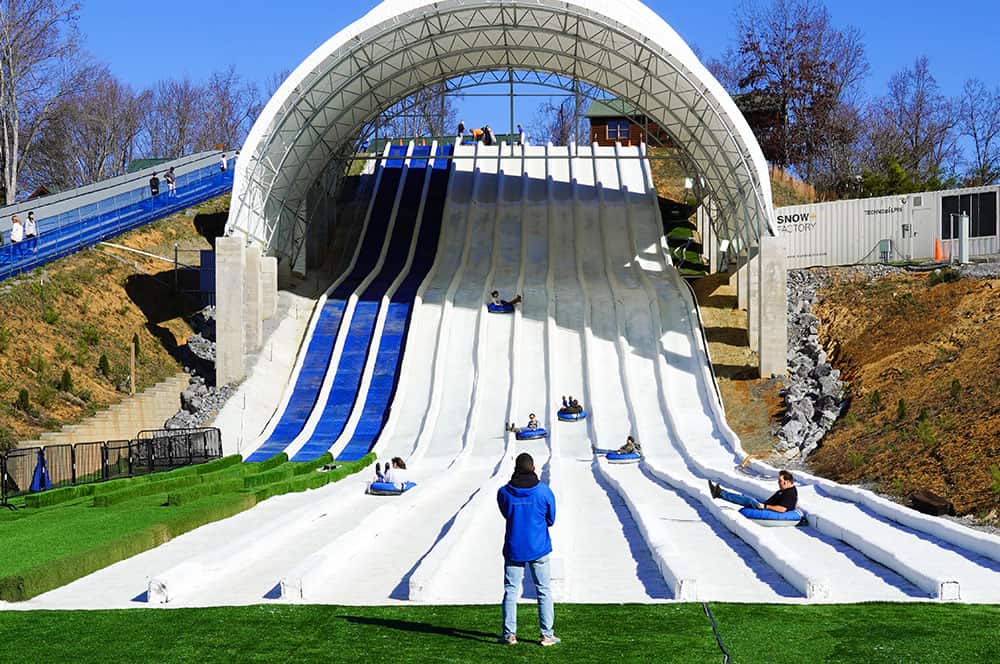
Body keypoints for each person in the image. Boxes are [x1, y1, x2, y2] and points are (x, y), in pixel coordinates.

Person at [497, 452, 559, 647]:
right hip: (538, 547)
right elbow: (551, 519)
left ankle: (509, 635)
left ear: (516, 467)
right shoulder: (544, 491)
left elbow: (506, 514)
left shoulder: (504, 492)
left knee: (510, 591)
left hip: (514, 546)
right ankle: (547, 635)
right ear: (533, 468)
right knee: (543, 590)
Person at [709, 470, 798, 513]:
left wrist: (765, 506)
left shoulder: (790, 493)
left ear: (787, 482)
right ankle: (720, 492)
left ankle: (719, 493)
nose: (778, 483)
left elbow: (782, 509)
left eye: (780, 481)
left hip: (768, 509)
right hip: (766, 505)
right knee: (746, 496)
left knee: (749, 500)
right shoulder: (784, 490)